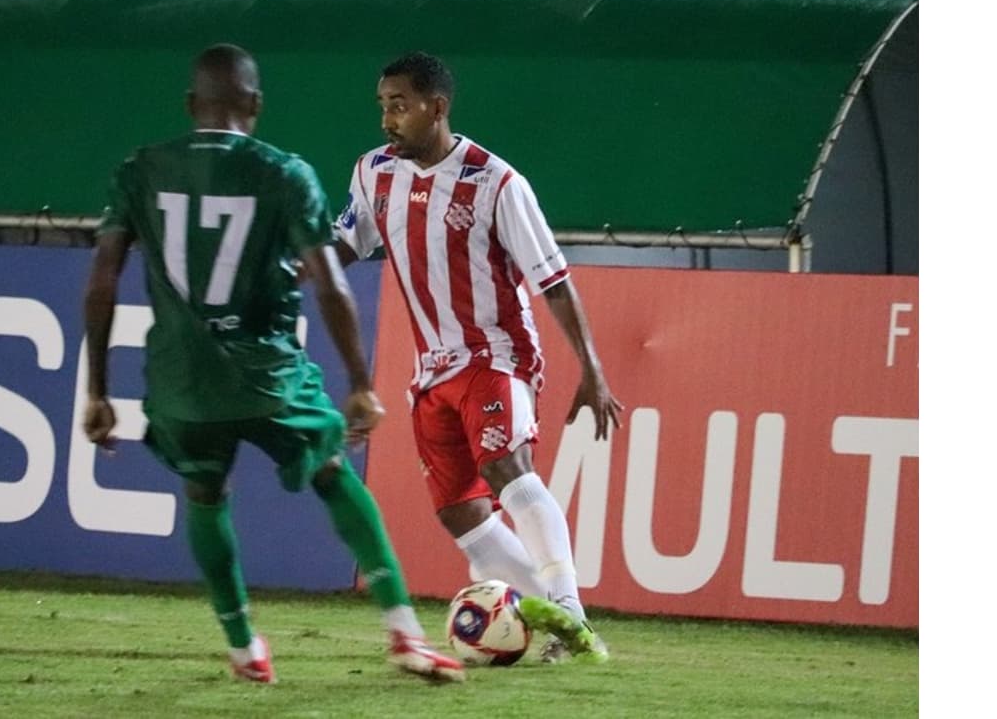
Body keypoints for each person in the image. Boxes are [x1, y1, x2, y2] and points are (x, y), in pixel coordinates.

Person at [81, 44, 464, 685]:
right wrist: (362, 384)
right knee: (335, 474)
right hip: (267, 372)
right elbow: (328, 284)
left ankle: (243, 649)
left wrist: (95, 391)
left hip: (181, 381)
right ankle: (403, 633)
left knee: (204, 493)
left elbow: (102, 282)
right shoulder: (284, 173)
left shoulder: (141, 168)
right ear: (255, 104)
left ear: (189, 105)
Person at [331, 51, 624, 664]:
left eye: (401, 106)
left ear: (437, 108)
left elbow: (553, 280)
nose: (388, 119)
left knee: (507, 469)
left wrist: (592, 370)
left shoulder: (496, 182)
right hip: (432, 370)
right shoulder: (373, 174)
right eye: (383, 105)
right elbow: (344, 246)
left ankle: (567, 610)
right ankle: (559, 623)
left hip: (496, 353)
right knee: (462, 514)